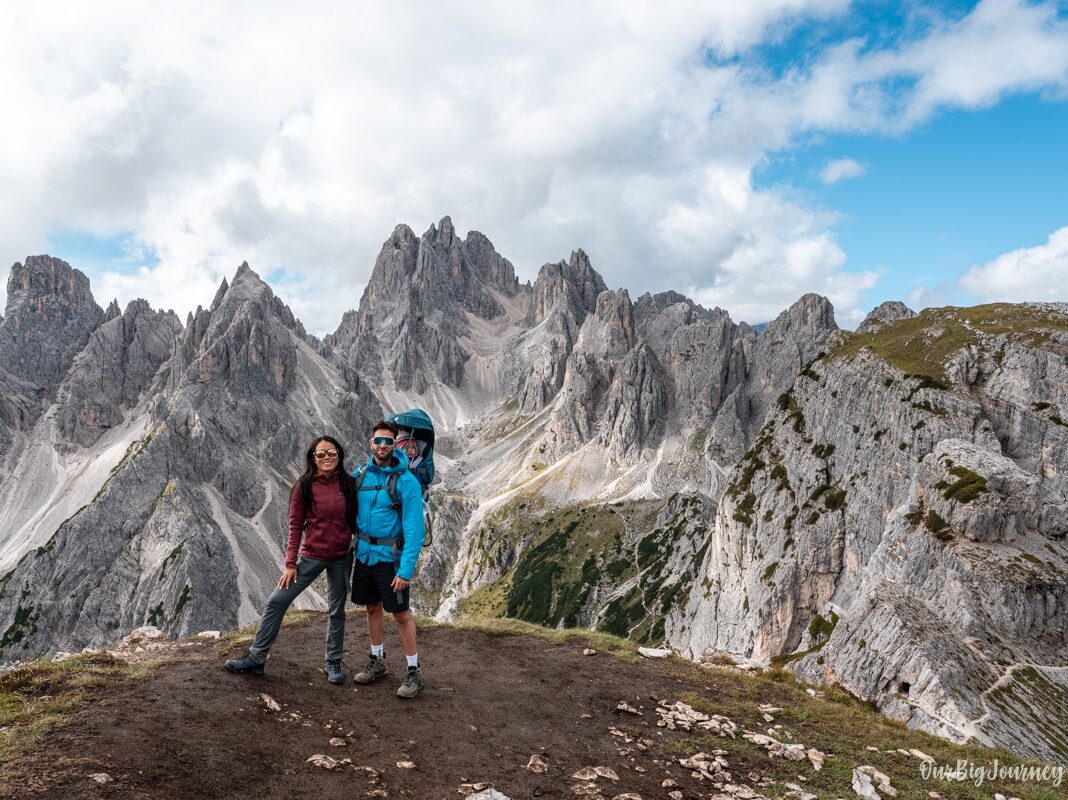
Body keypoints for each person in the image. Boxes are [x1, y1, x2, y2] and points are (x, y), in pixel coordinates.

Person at [224, 435, 357, 684]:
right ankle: (256, 657)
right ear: (313, 459)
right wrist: (290, 564)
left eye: (331, 452)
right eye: (321, 454)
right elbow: (295, 526)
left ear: (339, 455)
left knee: (337, 610)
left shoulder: (349, 484)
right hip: (312, 556)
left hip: (341, 557)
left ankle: (333, 662)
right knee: (277, 600)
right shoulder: (304, 486)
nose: (327, 457)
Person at [350, 419, 426, 698]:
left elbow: (415, 530)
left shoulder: (406, 481)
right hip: (365, 555)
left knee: (401, 614)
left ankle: (414, 671)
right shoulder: (361, 474)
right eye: (378, 441)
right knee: (372, 608)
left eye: (388, 441)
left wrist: (405, 571)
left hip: (390, 559)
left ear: (396, 445)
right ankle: (377, 659)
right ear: (371, 444)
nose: (382, 446)